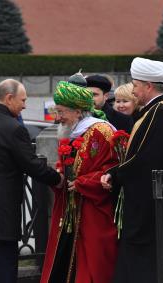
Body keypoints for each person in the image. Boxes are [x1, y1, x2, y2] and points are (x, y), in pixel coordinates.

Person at [0, 79, 63, 283]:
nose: (25, 105)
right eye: (22, 100)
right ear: (9, 98)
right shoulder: (13, 128)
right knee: (5, 271)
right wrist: (58, 179)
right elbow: (31, 164)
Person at [101, 57, 163, 283]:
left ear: (148, 86)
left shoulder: (159, 112)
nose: (134, 90)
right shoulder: (153, 110)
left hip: (151, 202)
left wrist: (115, 174)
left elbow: (144, 160)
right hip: (148, 197)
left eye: (136, 85)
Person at [40, 81, 119, 283]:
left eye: (61, 112)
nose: (57, 118)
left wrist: (85, 182)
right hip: (70, 209)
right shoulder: (72, 132)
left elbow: (114, 168)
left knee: (93, 264)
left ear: (77, 111)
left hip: (93, 210)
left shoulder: (101, 131)